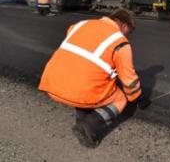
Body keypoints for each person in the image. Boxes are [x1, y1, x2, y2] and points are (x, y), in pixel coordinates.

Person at [38, 9, 151, 148]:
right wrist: (138, 98)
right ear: (125, 25)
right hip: (79, 91)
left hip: (52, 84)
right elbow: (129, 80)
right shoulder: (120, 43)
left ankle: (80, 120)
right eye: (129, 32)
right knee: (120, 98)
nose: (128, 35)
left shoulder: (80, 25)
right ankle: (90, 124)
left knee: (84, 77)